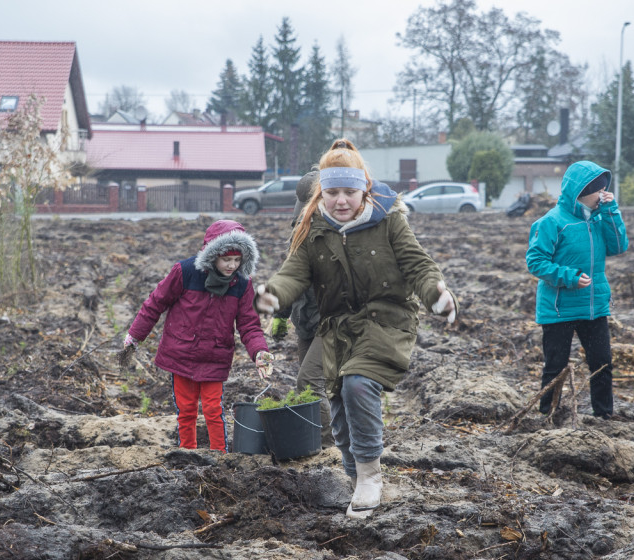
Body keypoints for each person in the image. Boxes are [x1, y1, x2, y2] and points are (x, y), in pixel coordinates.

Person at [255, 139, 458, 519]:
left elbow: (418, 264)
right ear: (322, 193)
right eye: (332, 192)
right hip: (337, 326)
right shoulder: (313, 226)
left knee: (357, 384)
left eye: (349, 191)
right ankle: (355, 478)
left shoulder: (389, 219)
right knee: (338, 405)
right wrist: (274, 295)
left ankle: (370, 476)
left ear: (364, 187)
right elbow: (294, 271)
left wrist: (436, 294)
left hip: (388, 317)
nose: (341, 201)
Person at [121, 220, 274, 452]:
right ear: (212, 254)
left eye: (237, 260)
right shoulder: (185, 272)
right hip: (181, 353)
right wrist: (135, 335)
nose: (232, 265)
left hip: (215, 356)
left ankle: (220, 456)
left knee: (214, 410)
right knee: (186, 410)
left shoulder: (242, 283)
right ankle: (187, 454)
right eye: (226, 259)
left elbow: (249, 324)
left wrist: (260, 352)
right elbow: (155, 303)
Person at [525, 160, 628, 420]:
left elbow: (618, 246)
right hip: (559, 309)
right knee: (555, 367)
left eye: (606, 190)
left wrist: (611, 209)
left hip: (594, 306)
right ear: (582, 192)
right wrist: (569, 277)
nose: (603, 194)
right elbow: (535, 262)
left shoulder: (599, 218)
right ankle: (548, 415)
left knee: (602, 364)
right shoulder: (551, 222)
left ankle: (604, 416)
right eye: (599, 191)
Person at [269, 170, 333, 446]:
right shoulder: (301, 230)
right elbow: (291, 278)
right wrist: (282, 316)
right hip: (306, 320)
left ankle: (326, 446)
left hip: (333, 322)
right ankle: (316, 440)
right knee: (314, 384)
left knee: (309, 383)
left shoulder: (336, 235)